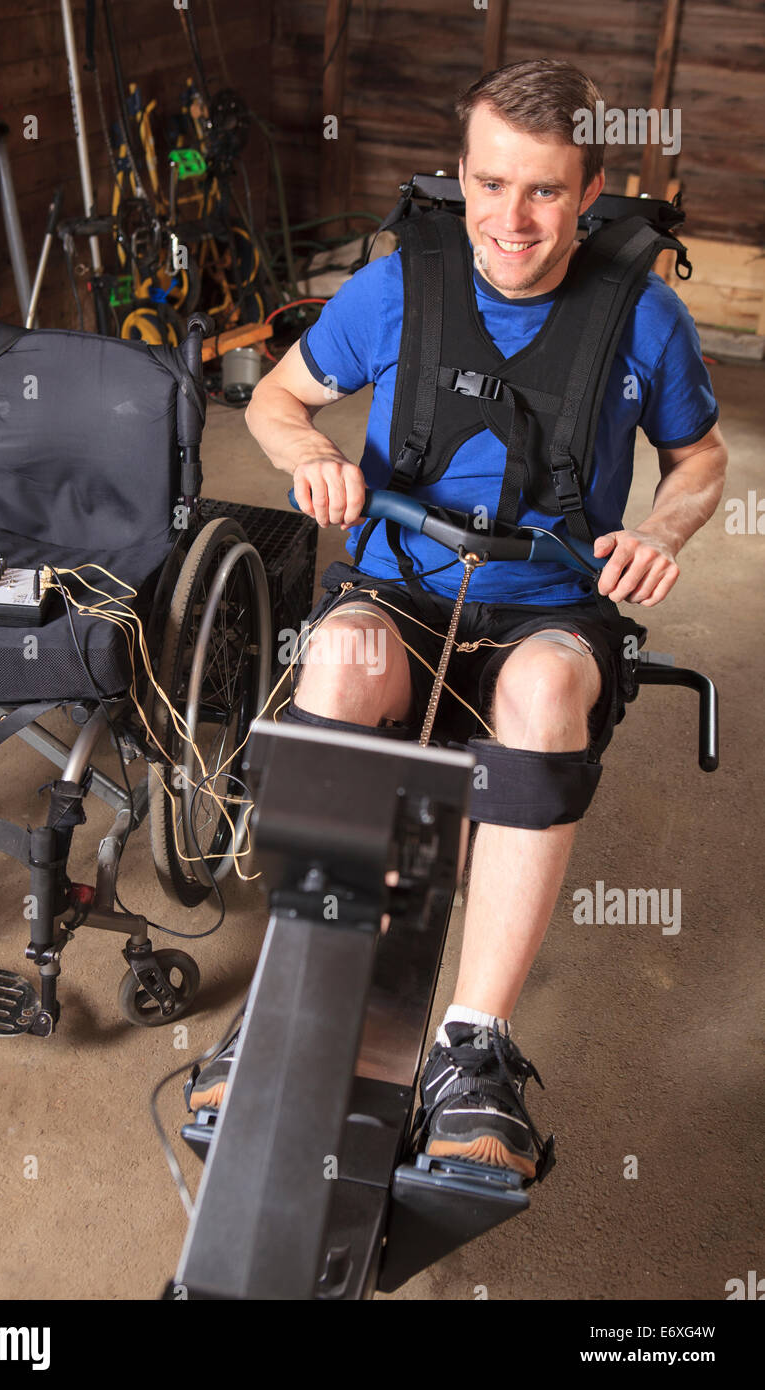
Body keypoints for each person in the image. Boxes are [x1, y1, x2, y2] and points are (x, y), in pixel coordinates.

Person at [190, 59, 727, 1181]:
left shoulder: (643, 314)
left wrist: (663, 535)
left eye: (541, 192)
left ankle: (470, 1048)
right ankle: (298, 1001)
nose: (509, 221)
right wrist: (312, 459)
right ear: (459, 172)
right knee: (334, 655)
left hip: (545, 606)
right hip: (399, 590)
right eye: (488, 185)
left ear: (588, 190)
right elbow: (277, 401)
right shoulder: (397, 286)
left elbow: (698, 457)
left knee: (536, 695)